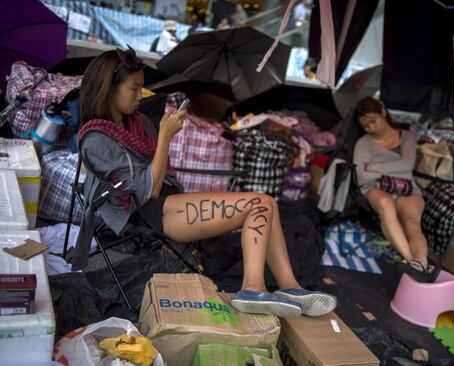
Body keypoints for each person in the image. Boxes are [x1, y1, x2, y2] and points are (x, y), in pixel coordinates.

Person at [77, 48, 337, 318]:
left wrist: (162, 136)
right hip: (146, 212)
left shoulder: (138, 122)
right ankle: (252, 288)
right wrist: (166, 136)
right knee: (258, 203)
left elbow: (159, 174)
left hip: (167, 200)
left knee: (267, 202)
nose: (140, 95)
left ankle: (290, 287)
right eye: (134, 88)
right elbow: (148, 189)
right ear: (109, 89)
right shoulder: (95, 139)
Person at [353, 97, 439, 282]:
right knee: (386, 205)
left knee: (411, 223)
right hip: (374, 187)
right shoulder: (363, 144)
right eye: (365, 125)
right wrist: (392, 167)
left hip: (406, 186)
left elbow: (406, 165)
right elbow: (361, 176)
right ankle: (412, 263)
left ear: (383, 113)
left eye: (372, 121)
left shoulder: (407, 136)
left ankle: (421, 261)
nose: (370, 128)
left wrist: (374, 168)